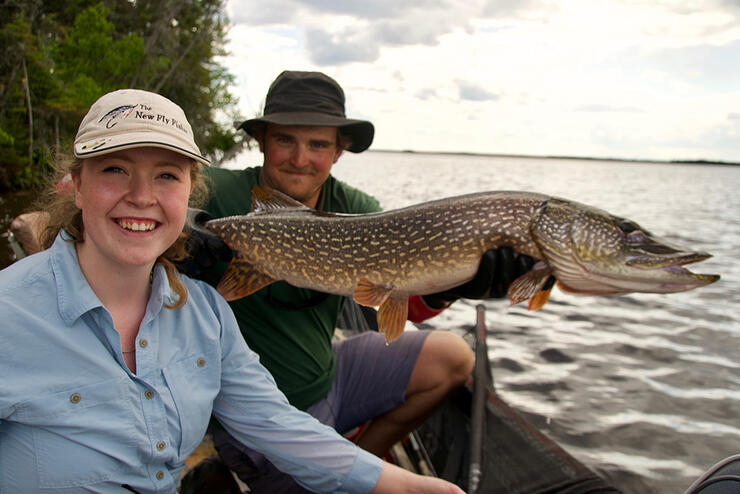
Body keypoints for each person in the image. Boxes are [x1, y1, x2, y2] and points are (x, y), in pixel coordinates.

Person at [0, 88, 465, 494]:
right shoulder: (11, 314)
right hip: (279, 417)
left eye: (166, 175)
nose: (142, 195)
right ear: (76, 186)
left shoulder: (205, 316)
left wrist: (403, 485)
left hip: (315, 390)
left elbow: (271, 421)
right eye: (115, 169)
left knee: (451, 354)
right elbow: (39, 222)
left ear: (188, 192)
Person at [186, 71, 534, 492]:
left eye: (318, 144)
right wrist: (185, 228)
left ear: (339, 150)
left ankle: (362, 461)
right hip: (258, 413)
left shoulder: (358, 208)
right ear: (262, 141)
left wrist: (453, 285)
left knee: (454, 356)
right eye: (285, 140)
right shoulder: (215, 191)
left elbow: (400, 295)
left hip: (328, 374)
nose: (300, 158)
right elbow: (138, 204)